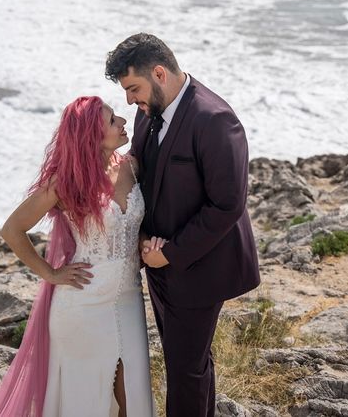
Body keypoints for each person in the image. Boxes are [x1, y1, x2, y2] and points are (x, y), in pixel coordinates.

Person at [105, 33, 260, 417]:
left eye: (134, 88)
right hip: (159, 266)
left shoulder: (215, 120)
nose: (129, 101)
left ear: (159, 73)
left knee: (185, 368)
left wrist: (170, 254)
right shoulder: (147, 116)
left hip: (199, 266)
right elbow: (140, 172)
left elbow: (227, 206)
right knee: (187, 361)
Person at [0, 96, 156, 417]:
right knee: (85, 403)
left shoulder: (132, 165)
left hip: (129, 299)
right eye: (112, 120)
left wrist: (144, 241)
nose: (122, 122)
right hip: (81, 305)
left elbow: (137, 223)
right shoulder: (66, 182)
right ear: (91, 133)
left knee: (132, 400)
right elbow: (12, 229)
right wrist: (51, 273)